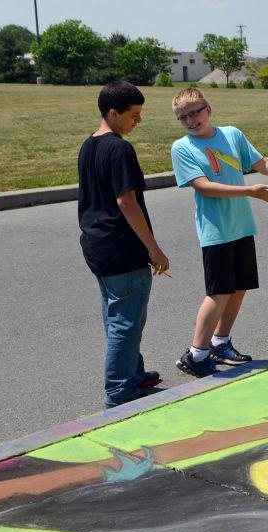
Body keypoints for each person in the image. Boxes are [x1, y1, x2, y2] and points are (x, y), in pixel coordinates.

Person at [170, 87, 268, 374]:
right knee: (218, 292)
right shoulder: (182, 148)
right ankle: (196, 354)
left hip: (241, 226)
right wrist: (249, 191)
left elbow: (261, 164)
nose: (191, 121)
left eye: (195, 113)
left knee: (239, 288)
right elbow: (204, 187)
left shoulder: (231, 134)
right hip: (215, 230)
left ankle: (220, 342)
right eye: (183, 118)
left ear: (208, 109)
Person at [77, 81, 170, 408]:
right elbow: (126, 201)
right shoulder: (119, 149)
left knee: (116, 314)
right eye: (133, 115)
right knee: (126, 321)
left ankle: (133, 373)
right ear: (113, 113)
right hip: (121, 248)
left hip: (97, 245)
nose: (138, 121)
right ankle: (119, 391)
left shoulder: (90, 144)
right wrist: (154, 249)